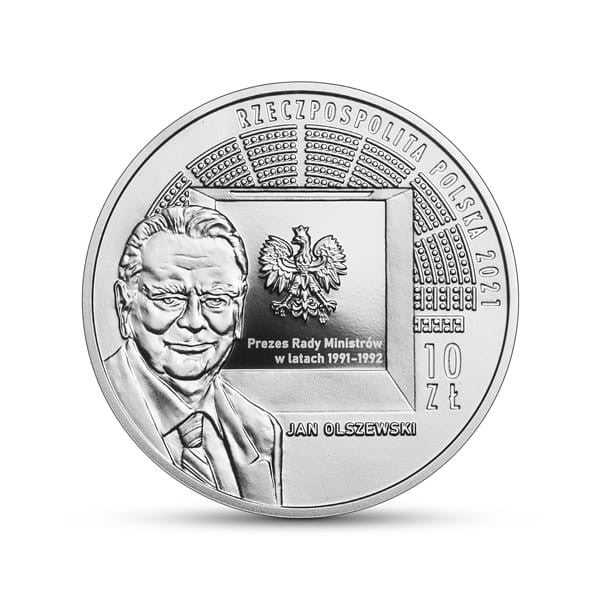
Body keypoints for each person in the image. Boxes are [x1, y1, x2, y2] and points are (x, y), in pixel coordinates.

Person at [104, 205, 282, 505]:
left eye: (216, 299)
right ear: (125, 305)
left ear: (238, 311)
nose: (194, 321)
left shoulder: (260, 430)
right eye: (168, 298)